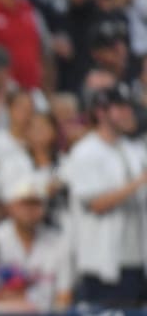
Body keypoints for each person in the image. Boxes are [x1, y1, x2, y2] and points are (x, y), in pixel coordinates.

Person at [60, 86, 147, 307]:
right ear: (100, 112)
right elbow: (96, 204)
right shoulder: (85, 151)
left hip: (137, 259)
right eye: (120, 107)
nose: (128, 112)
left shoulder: (134, 149)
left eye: (128, 107)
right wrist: (138, 182)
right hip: (102, 262)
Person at [0, 181, 72, 312]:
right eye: (24, 204)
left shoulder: (59, 242)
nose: (29, 210)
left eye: (35, 204)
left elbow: (64, 295)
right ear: (11, 207)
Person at [0, 89, 35, 168]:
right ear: (10, 108)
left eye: (29, 108)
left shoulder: (36, 143)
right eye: (21, 107)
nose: (26, 112)